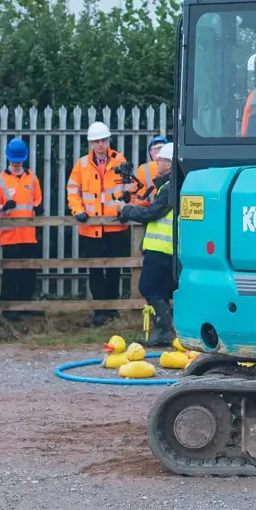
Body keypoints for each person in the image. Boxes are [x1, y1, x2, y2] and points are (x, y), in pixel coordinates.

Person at [67, 121, 131, 326]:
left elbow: (129, 189)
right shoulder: (82, 164)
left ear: (108, 140)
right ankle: (99, 311)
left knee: (114, 269)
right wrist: (78, 211)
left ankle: (112, 309)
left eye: (103, 140)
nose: (100, 144)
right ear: (91, 143)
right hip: (91, 227)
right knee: (95, 270)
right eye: (96, 141)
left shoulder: (120, 160)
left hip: (116, 225)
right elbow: (72, 191)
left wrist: (126, 209)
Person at [114, 142, 175, 346]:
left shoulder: (169, 188)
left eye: (161, 160)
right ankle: (164, 330)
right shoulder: (170, 186)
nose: (157, 163)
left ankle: (164, 330)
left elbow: (151, 213)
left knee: (148, 286)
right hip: (165, 250)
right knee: (161, 290)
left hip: (162, 250)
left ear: (169, 164)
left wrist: (125, 209)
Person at [0, 138, 44, 320]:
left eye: (19, 160)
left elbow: (37, 200)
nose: (16, 164)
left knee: (28, 273)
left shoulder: (32, 178)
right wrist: (4, 207)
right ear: (8, 158)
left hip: (29, 234)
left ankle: (25, 306)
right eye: (14, 160)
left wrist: (39, 208)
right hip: (9, 235)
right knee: (11, 273)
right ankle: (9, 309)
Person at [134, 135, 168, 206]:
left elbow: (140, 200)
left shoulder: (144, 168)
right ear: (150, 152)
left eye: (161, 148)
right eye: (156, 149)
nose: (159, 152)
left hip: (149, 211)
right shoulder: (173, 165)